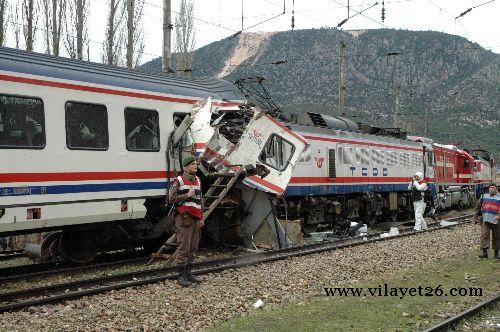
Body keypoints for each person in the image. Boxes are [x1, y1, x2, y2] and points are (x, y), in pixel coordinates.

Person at [168, 155, 204, 287]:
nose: (195, 166)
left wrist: (201, 217)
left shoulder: (198, 180)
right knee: (184, 246)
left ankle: (189, 273)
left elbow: (200, 201)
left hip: (195, 218)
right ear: (186, 167)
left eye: (195, 164)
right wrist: (186, 196)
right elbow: (171, 199)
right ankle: (180, 276)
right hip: (184, 218)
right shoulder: (179, 180)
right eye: (192, 164)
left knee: (193, 247)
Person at [474, 183, 500, 259]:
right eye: (490, 188)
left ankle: (497, 253)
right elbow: (478, 207)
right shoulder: (483, 196)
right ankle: (484, 253)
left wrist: (498, 216)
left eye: (493, 188)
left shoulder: (499, 198)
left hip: (496, 221)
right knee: (484, 235)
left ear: (496, 189)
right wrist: (476, 217)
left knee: (497, 236)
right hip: (485, 220)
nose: (491, 189)